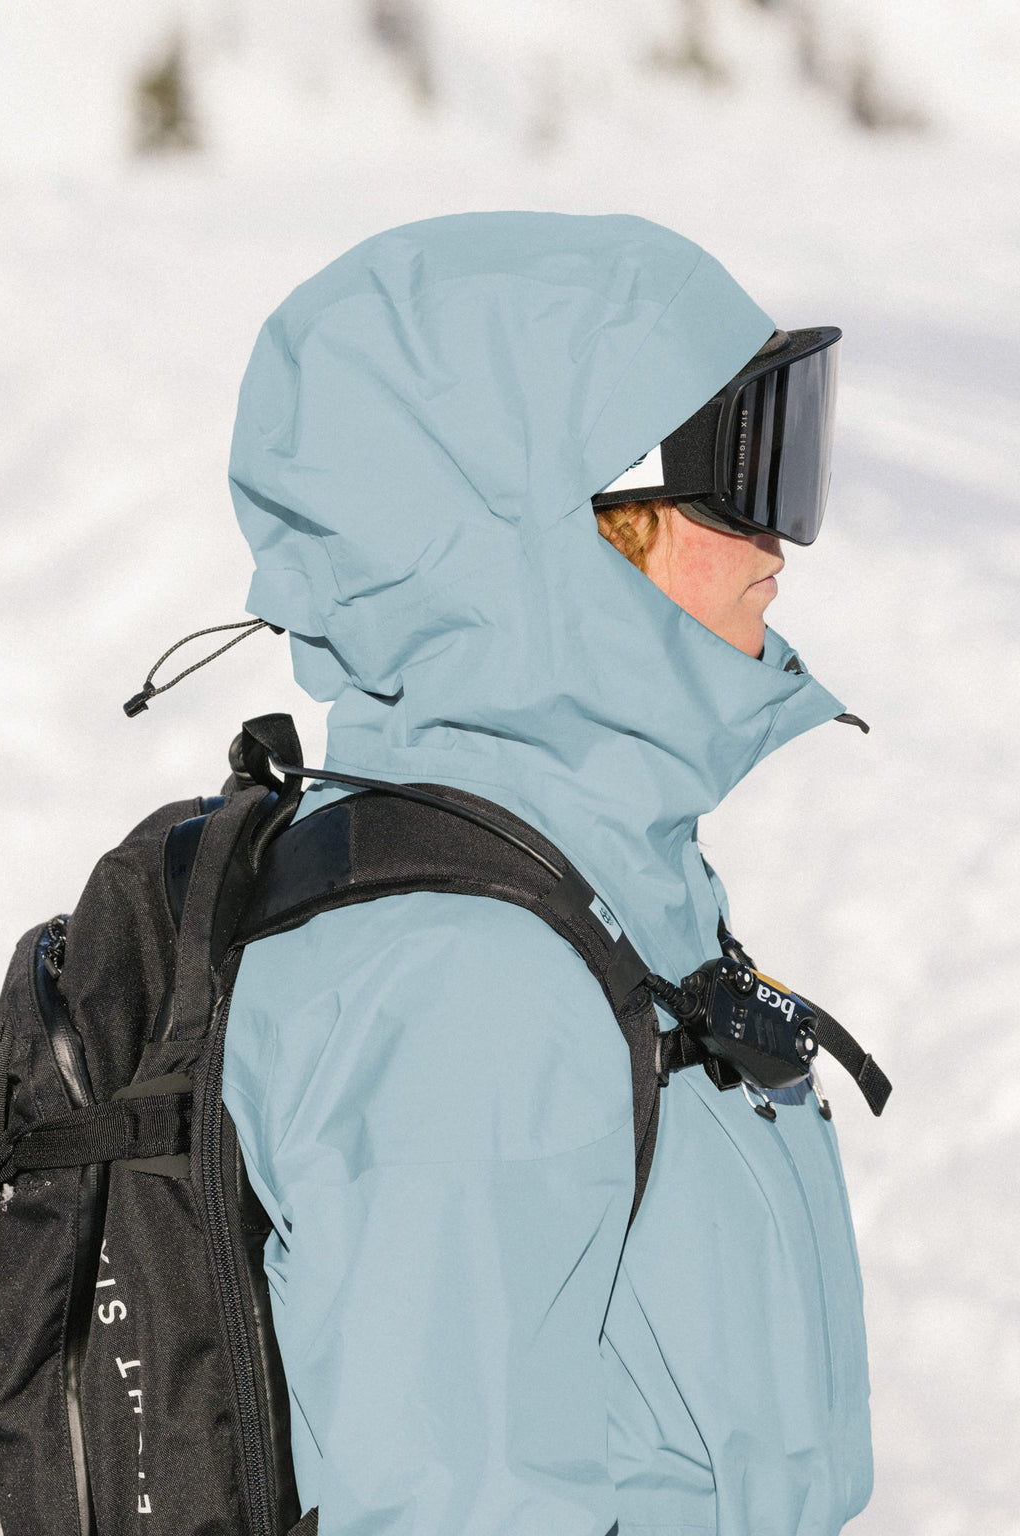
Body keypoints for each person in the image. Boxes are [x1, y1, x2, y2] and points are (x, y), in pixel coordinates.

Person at [222, 211, 873, 1536]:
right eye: (741, 471)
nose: (781, 543)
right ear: (543, 528)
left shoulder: (588, 877)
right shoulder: (465, 976)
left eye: (791, 455)